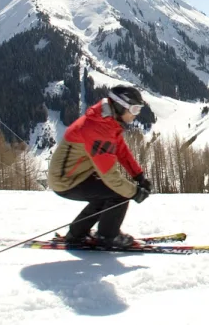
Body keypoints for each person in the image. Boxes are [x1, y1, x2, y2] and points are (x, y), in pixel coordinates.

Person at [47, 85, 152, 248]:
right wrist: (135, 192)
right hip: (66, 180)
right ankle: (108, 237)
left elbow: (121, 150)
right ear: (120, 105)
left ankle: (77, 233)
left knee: (105, 195)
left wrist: (139, 176)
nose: (135, 115)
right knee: (118, 193)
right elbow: (111, 177)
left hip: (75, 175)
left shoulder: (108, 121)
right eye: (134, 109)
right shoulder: (99, 128)